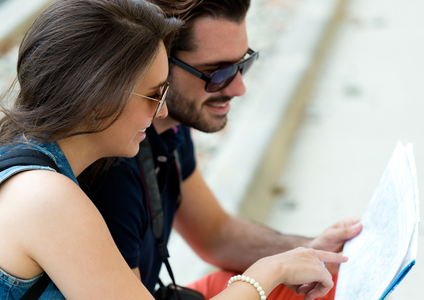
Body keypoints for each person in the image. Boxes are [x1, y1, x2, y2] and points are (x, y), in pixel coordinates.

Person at [0, 0, 349, 299]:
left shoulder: (31, 169)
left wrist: (308, 254)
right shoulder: (48, 198)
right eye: (154, 95)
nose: (164, 111)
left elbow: (217, 234)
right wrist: (270, 271)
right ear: (96, 98)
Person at [79, 0, 363, 299]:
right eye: (216, 73)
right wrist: (271, 271)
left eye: (243, 64)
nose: (238, 88)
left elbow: (216, 235)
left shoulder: (169, 126)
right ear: (156, 66)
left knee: (332, 282)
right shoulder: (113, 168)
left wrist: (314, 249)